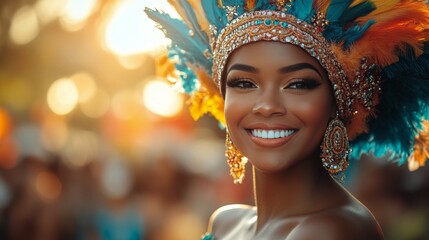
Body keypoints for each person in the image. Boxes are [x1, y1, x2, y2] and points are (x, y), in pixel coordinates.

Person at [145, 0, 429, 239]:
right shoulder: (225, 223)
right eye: (244, 83)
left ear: (337, 103)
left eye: (298, 84)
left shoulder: (330, 231)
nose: (267, 106)